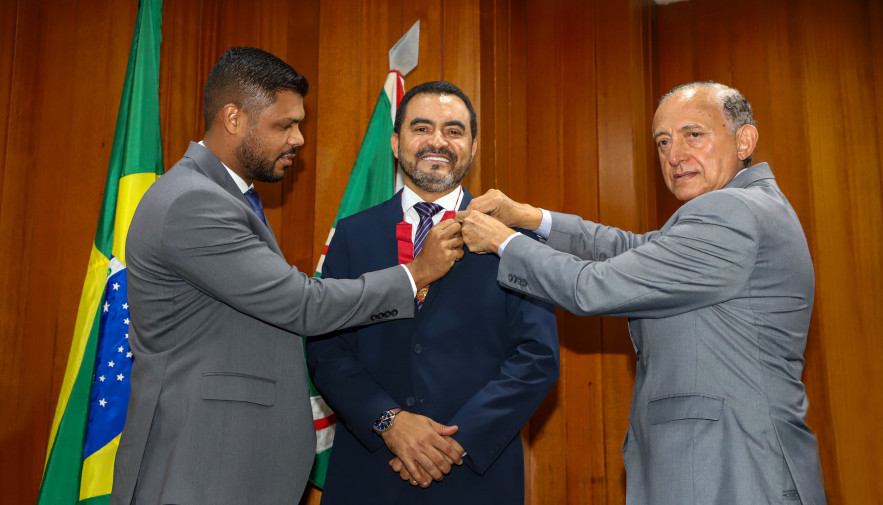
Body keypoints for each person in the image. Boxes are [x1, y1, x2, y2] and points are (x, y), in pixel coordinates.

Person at [111, 48, 463, 505]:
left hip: (227, 468)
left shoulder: (225, 197)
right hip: (202, 468)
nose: (299, 138)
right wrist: (415, 272)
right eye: (285, 125)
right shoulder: (194, 202)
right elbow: (301, 305)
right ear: (233, 118)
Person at [457, 81, 827, 504]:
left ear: (744, 140)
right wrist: (532, 218)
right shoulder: (747, 207)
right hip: (723, 465)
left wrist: (503, 242)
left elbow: (593, 288)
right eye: (663, 142)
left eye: (694, 135)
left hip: (730, 469)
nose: (675, 156)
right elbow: (631, 249)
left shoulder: (733, 211)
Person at [305, 81, 559, 504]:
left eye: (454, 130)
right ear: (396, 141)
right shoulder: (353, 235)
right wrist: (389, 421)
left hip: (474, 476)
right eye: (422, 128)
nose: (438, 141)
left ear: (473, 146)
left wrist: (454, 444)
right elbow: (326, 349)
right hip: (370, 472)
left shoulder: (514, 240)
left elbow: (537, 358)